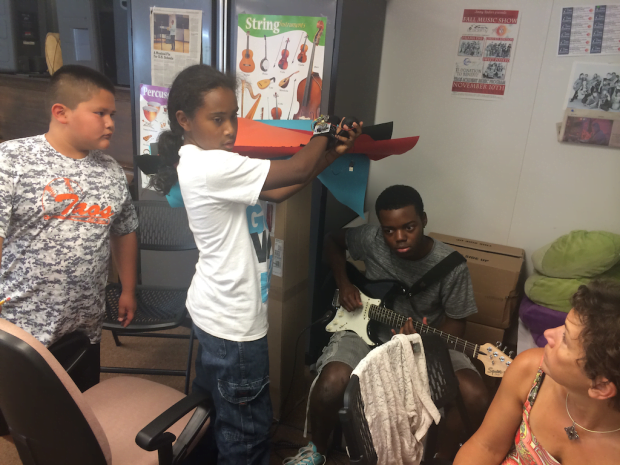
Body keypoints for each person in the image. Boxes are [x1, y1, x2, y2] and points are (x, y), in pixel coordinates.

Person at [149, 64, 361, 465]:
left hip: (212, 313)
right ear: (184, 120)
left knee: (215, 418)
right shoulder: (212, 166)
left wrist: (329, 153)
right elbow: (297, 167)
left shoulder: (205, 161)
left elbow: (281, 190)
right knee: (248, 435)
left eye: (233, 116)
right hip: (235, 329)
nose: (230, 129)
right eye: (217, 119)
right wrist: (321, 129)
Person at [285, 185, 490, 464]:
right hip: (366, 329)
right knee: (331, 383)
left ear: (424, 220)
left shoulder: (452, 266)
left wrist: (423, 342)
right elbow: (332, 241)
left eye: (409, 227)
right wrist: (344, 283)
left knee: (475, 395)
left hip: (425, 339)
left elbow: (457, 322)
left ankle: (443, 456)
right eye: (389, 230)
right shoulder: (371, 239)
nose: (399, 238)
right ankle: (315, 451)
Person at [0, 64, 138, 392]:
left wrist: (128, 289)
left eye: (112, 114)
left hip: (84, 325)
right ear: (61, 112)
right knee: (21, 420)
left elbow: (125, 229)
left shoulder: (112, 172)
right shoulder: (12, 161)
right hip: (20, 324)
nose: (110, 123)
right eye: (100, 113)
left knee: (79, 410)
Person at [455, 281, 620, 465]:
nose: (549, 333)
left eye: (565, 339)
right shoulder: (531, 371)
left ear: (601, 386)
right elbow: (485, 447)